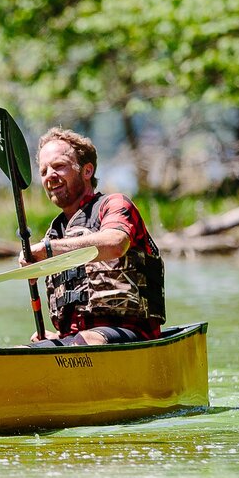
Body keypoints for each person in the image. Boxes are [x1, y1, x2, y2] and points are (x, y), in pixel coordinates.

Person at [21, 128, 165, 345]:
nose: (50, 175)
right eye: (43, 171)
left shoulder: (114, 204)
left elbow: (116, 243)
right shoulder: (55, 232)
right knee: (25, 349)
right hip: (77, 339)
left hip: (132, 334)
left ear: (87, 171)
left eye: (59, 166)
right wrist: (59, 338)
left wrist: (48, 251)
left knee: (84, 340)